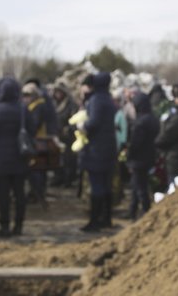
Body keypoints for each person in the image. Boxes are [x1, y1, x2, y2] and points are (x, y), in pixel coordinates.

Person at [0, 77, 36, 238]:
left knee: (3, 195)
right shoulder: (23, 110)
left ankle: (4, 225)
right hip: (20, 157)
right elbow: (32, 130)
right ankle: (19, 225)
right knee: (19, 193)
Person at [78, 72, 117, 233]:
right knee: (106, 184)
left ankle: (94, 221)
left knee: (97, 186)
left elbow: (93, 122)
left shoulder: (95, 100)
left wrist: (82, 126)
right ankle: (106, 218)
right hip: (109, 147)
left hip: (96, 149)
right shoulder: (108, 99)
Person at [126, 90, 159, 220]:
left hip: (138, 159)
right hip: (149, 157)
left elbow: (135, 143)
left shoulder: (140, 122)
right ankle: (132, 210)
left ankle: (146, 214)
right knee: (137, 186)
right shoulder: (153, 118)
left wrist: (128, 156)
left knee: (140, 188)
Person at [21, 82, 49, 206]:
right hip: (36, 139)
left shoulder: (38, 106)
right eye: (24, 95)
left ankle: (39, 194)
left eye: (28, 95)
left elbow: (35, 124)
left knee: (38, 169)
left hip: (39, 140)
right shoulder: (34, 106)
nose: (25, 97)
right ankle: (36, 193)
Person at [50, 84, 79, 188]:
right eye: (56, 92)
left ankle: (68, 180)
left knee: (68, 159)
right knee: (56, 158)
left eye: (60, 92)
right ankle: (58, 177)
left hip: (68, 136)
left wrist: (68, 129)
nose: (58, 94)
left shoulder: (71, 105)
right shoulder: (54, 104)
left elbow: (74, 120)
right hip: (56, 135)